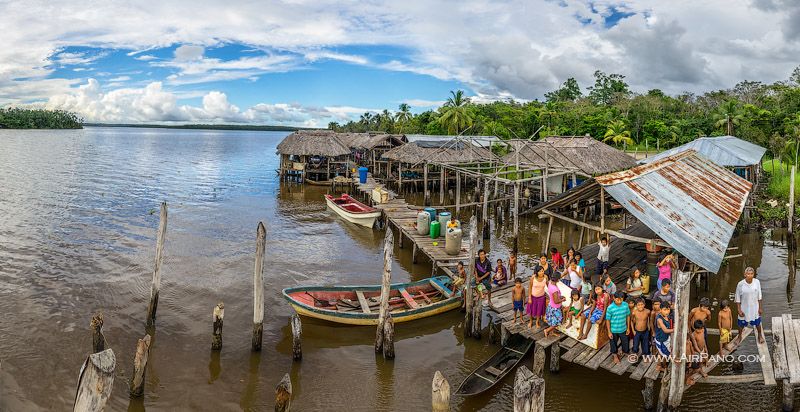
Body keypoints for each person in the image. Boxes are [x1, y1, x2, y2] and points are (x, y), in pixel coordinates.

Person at [735, 267, 765, 344]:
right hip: (744, 307)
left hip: (755, 307)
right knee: (741, 324)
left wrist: (760, 308)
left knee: (758, 323)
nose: (750, 275)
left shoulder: (757, 282)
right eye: (748, 274)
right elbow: (737, 297)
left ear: (753, 274)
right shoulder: (740, 284)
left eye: (751, 274)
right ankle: (739, 336)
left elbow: (759, 296)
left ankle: (760, 335)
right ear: (745, 275)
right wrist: (739, 309)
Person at [606, 291, 631, 363]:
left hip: (623, 328)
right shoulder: (610, 308)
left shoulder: (625, 305)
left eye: (621, 299)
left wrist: (628, 327)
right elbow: (607, 320)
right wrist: (609, 331)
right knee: (613, 343)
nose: (619, 301)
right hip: (613, 330)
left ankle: (625, 351)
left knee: (625, 341)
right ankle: (615, 355)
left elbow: (628, 316)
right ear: (613, 298)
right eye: (617, 299)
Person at [654, 302, 674, 372]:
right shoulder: (659, 319)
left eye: (668, 309)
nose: (667, 311)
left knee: (660, 353)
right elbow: (665, 330)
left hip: (665, 338)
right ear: (660, 310)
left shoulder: (667, 316)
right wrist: (675, 329)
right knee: (665, 354)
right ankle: (661, 366)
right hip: (661, 340)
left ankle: (661, 365)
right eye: (665, 309)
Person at [688, 319, 709, 384]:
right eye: (698, 329)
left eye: (701, 328)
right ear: (695, 328)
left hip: (702, 349)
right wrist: (701, 353)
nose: (700, 330)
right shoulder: (693, 335)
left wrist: (705, 349)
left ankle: (700, 369)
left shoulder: (702, 330)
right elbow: (695, 346)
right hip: (696, 351)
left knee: (700, 361)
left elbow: (703, 340)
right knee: (695, 362)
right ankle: (697, 371)